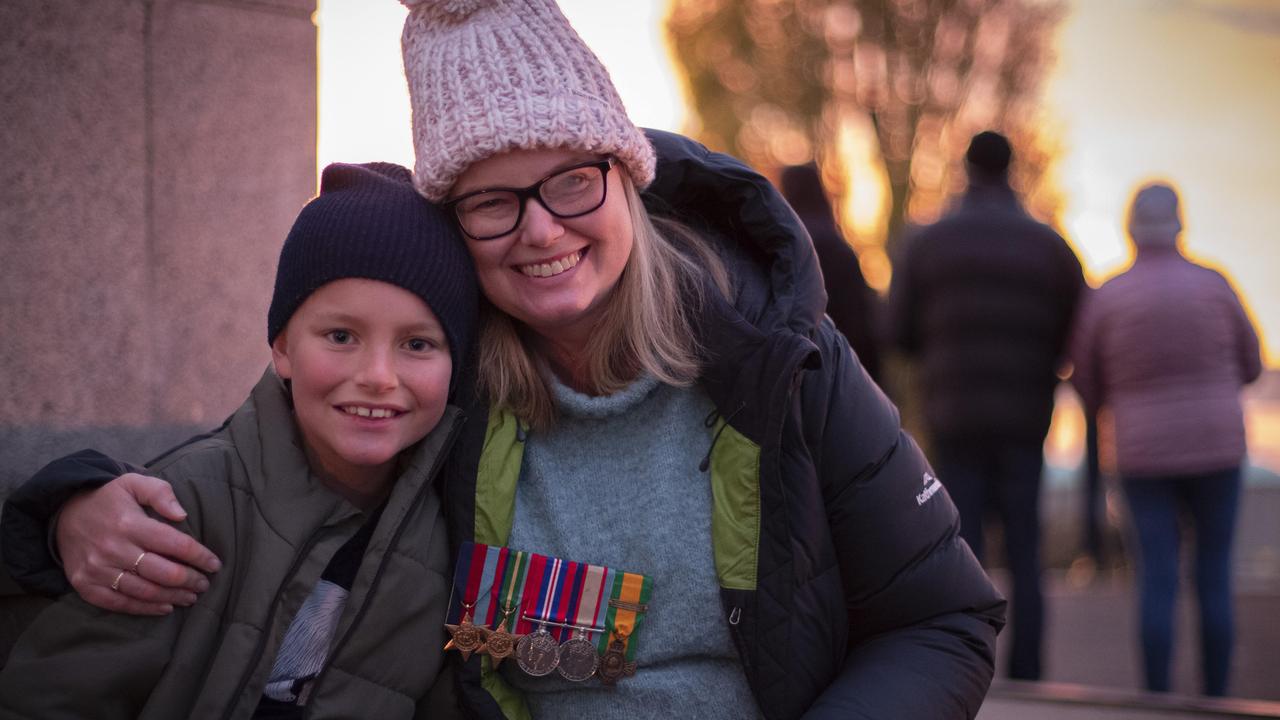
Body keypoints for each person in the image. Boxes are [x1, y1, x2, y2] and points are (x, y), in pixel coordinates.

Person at [1, 1, 1006, 717]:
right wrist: (69, 506)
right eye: (491, 198)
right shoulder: (442, 392)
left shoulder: (777, 362)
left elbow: (940, 619)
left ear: (625, 176)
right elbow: (265, 473)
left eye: (570, 180)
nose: (539, 231)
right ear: (455, 224)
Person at [0, 162, 477, 718]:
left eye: (418, 344)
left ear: (457, 365)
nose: (377, 374)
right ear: (282, 347)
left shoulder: (450, 540)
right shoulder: (180, 508)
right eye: (341, 335)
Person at [887, 130, 1084, 681]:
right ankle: (1029, 671)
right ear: (1012, 169)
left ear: (967, 169)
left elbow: (897, 331)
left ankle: (967, 669)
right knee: (1026, 545)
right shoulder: (1049, 246)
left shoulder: (929, 241)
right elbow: (1078, 328)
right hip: (1025, 416)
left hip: (955, 414)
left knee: (960, 544)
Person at [1069, 182, 1262, 696]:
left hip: (1142, 455)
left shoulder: (1108, 296)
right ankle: (1216, 697)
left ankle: (1157, 698)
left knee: (1156, 576)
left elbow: (1085, 380)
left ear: (1131, 229)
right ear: (1180, 225)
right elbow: (1251, 363)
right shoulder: (1214, 284)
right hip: (1218, 449)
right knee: (1214, 574)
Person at [779, 163, 883, 383]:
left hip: (798, 373)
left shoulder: (782, 249)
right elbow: (861, 322)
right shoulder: (840, 248)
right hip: (844, 371)